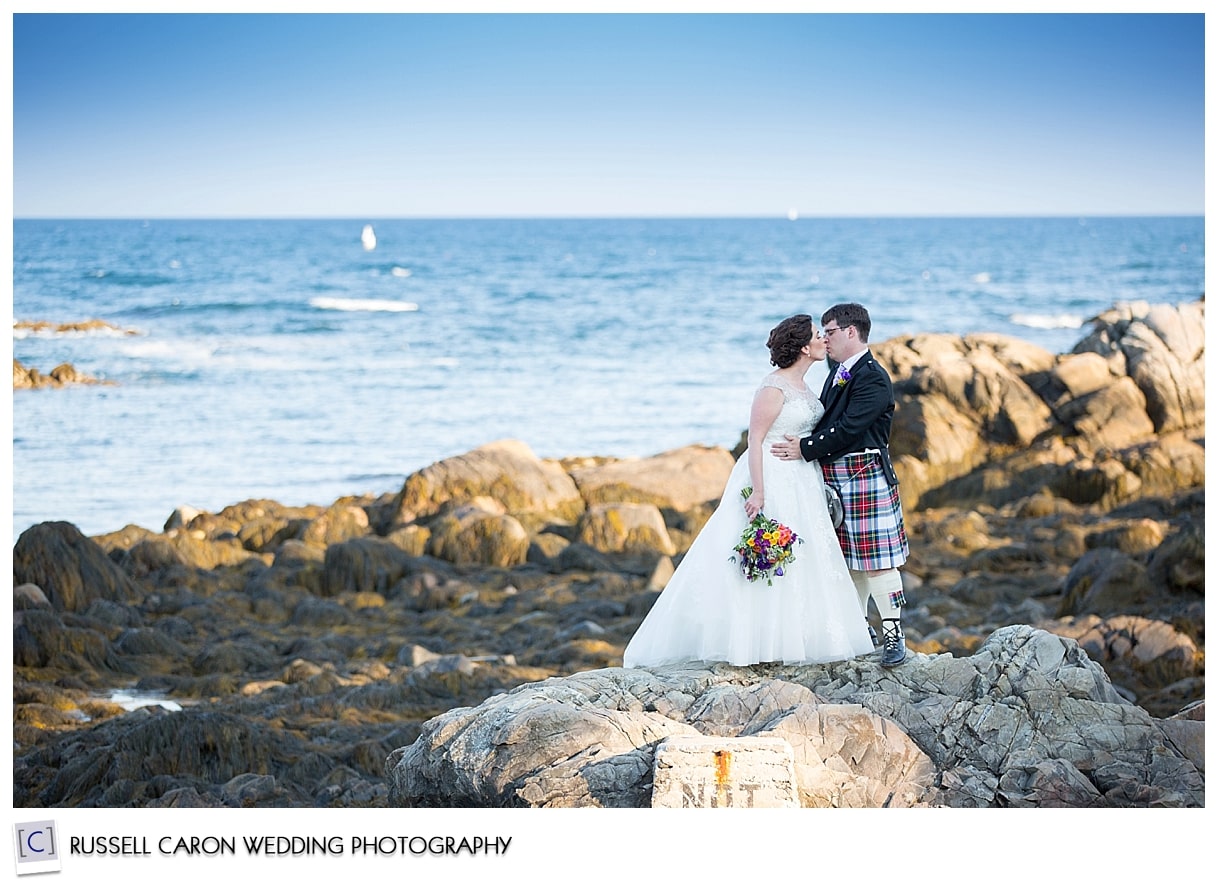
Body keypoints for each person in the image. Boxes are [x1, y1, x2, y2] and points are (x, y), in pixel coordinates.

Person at [623, 314, 874, 669]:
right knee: (765, 551)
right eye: (818, 335)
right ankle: (752, 640)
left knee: (803, 556)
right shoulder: (774, 387)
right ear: (804, 347)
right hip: (770, 476)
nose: (824, 340)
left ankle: (798, 637)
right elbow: (755, 440)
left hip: (802, 479)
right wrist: (758, 492)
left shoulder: (807, 385)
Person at [770, 302, 911, 667]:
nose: (824, 338)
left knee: (878, 561)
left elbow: (848, 429)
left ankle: (894, 634)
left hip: (864, 474)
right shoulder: (839, 371)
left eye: (829, 331)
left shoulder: (874, 377)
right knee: (849, 561)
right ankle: (861, 628)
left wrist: (803, 448)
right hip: (835, 478)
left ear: (851, 332)